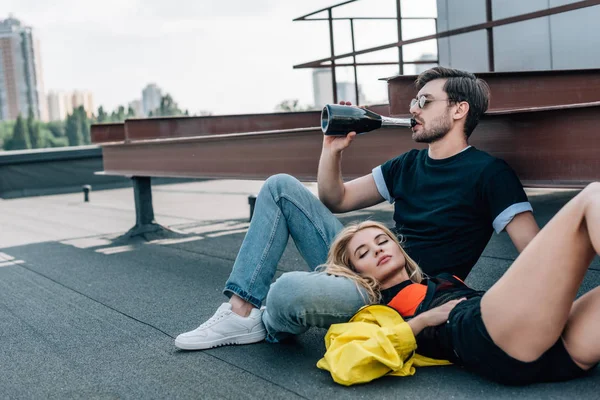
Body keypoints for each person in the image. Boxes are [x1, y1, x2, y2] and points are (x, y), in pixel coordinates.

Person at [174, 66, 540, 350]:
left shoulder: (489, 174)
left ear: (460, 109)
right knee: (280, 187)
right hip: (367, 260)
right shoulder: (406, 164)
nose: (414, 108)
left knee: (286, 291)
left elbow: (536, 253)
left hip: (401, 288)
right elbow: (337, 200)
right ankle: (241, 311)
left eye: (425, 101)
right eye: (415, 101)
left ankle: (270, 320)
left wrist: (505, 312)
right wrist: (331, 150)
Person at [317, 187, 600, 386]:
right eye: (363, 253)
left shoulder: (442, 279)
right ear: (354, 272)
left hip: (537, 348)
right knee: (591, 196)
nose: (378, 250)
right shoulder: (376, 314)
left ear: (398, 246)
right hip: (482, 335)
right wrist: (422, 322)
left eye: (382, 241)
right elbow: (345, 363)